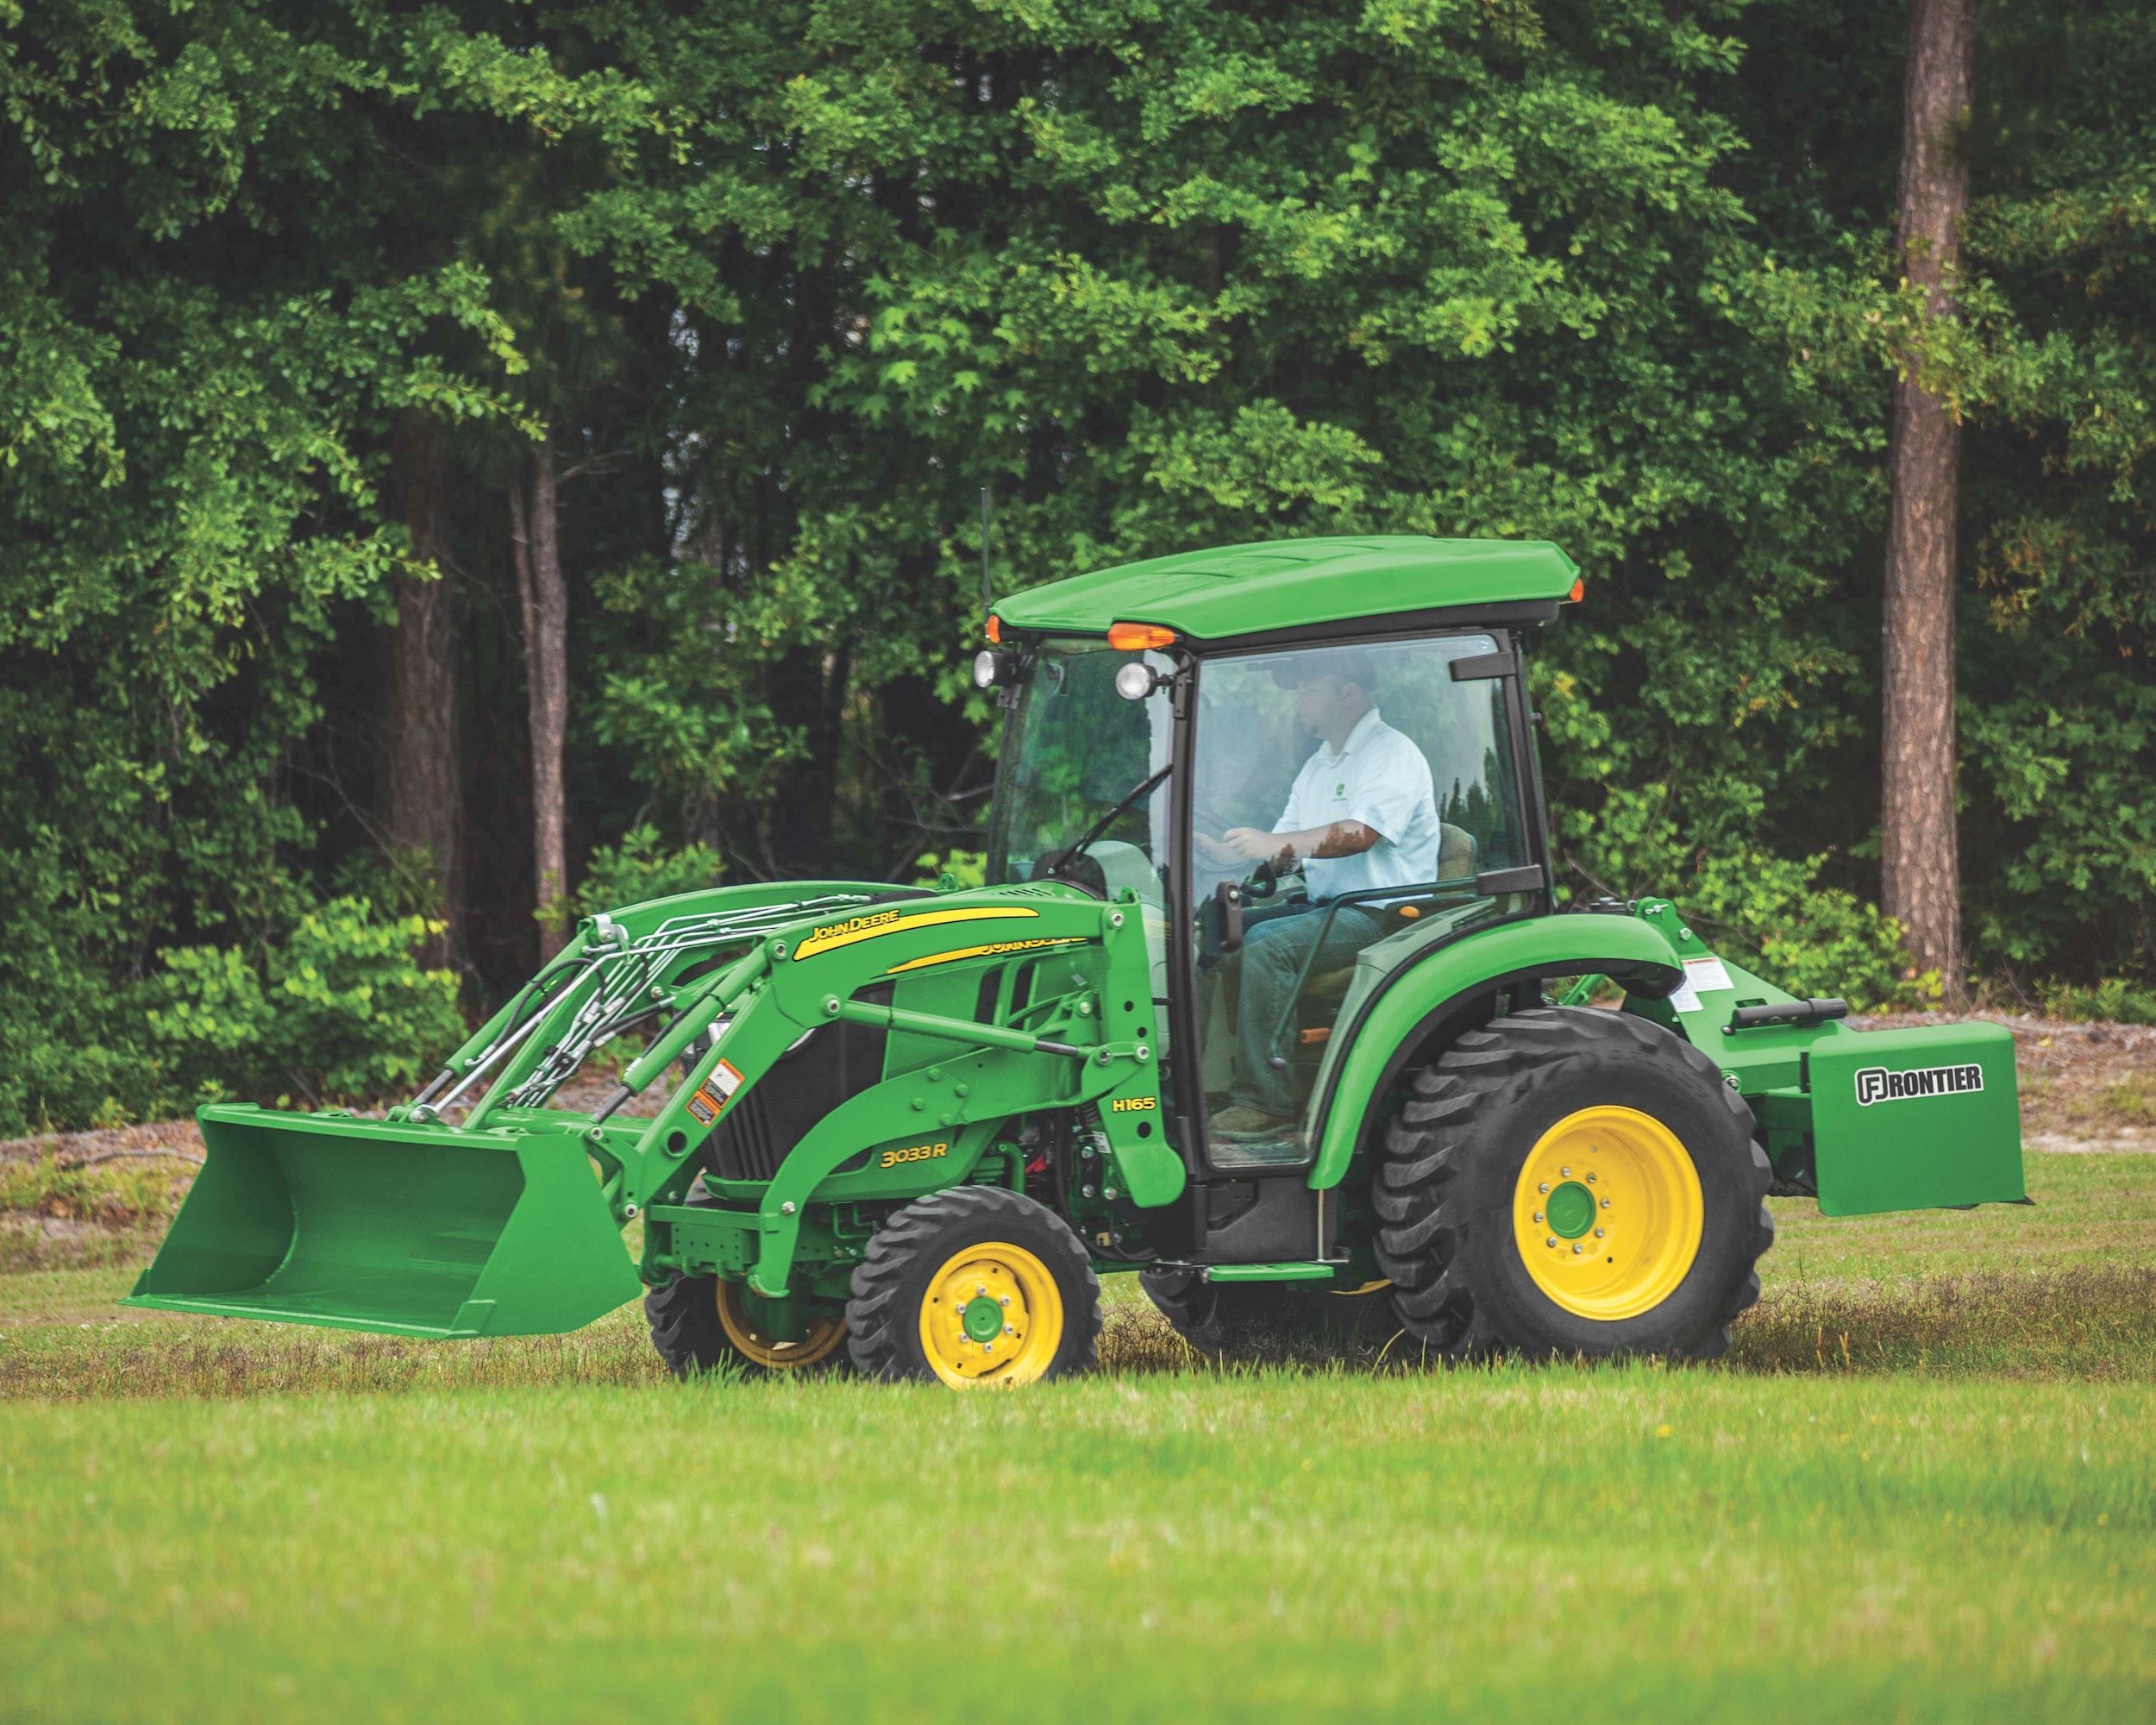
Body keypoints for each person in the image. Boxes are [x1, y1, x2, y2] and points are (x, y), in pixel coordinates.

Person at [1195, 649, 1438, 1150]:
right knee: (1217, 925)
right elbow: (1286, 845)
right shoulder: (1320, 765)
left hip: (1384, 914)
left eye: (1309, 690)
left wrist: (1275, 844)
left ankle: (1266, 1103)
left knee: (1265, 943)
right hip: (1328, 908)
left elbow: (1362, 833)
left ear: (1348, 693)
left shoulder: (1391, 754)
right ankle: (1205, 1077)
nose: (1299, 703)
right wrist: (1229, 852)